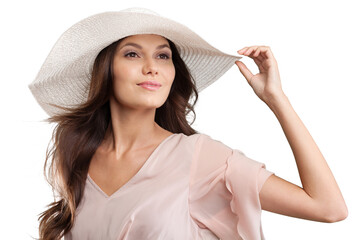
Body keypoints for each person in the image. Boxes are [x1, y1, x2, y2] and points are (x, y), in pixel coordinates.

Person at [28, 7, 347, 240]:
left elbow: (328, 208)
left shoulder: (199, 157)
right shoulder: (76, 153)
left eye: (163, 56)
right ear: (106, 70)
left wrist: (277, 99)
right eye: (132, 55)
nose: (152, 67)